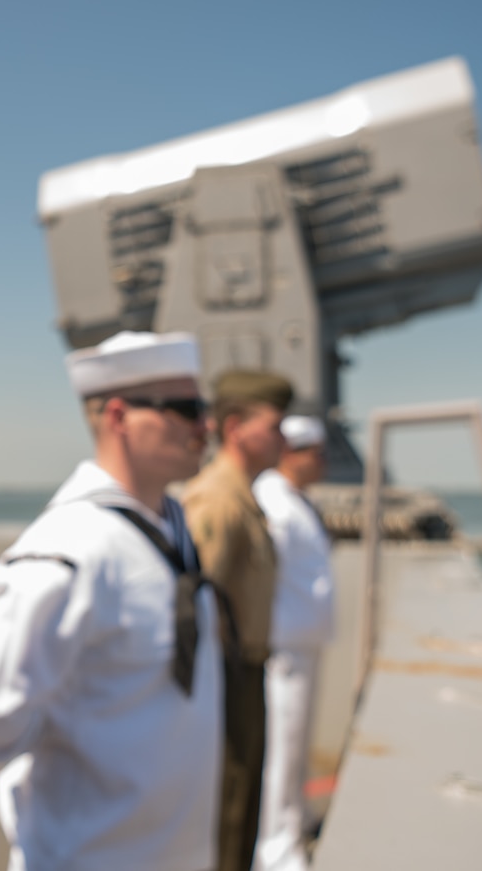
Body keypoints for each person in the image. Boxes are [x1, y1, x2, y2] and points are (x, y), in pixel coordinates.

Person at [0, 331, 223, 871]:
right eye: (186, 409)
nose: (203, 426)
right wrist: (65, 737)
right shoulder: (70, 547)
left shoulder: (170, 526)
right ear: (118, 417)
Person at [183, 369, 294, 871]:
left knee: (243, 810)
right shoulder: (220, 501)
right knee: (227, 819)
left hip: (244, 674)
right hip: (225, 682)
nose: (283, 438)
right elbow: (193, 612)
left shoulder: (244, 497)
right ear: (235, 429)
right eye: (274, 425)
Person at [252, 416, 337, 871]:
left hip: (303, 644)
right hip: (282, 650)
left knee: (297, 745)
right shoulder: (273, 501)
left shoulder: (293, 500)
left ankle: (295, 821)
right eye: (317, 454)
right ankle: (277, 849)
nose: (323, 463)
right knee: (281, 751)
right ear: (292, 453)